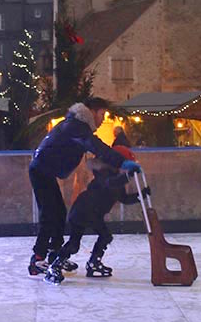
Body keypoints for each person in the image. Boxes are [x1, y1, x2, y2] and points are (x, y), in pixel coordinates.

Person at [27, 97, 141, 276]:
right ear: (92, 112)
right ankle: (37, 259)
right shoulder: (76, 127)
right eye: (102, 114)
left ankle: (54, 255)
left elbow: (94, 147)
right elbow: (97, 147)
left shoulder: (75, 125)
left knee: (58, 213)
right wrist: (122, 162)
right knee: (49, 214)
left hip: (44, 169)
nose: (103, 119)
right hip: (40, 170)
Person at [44, 145, 150, 284]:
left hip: (93, 213)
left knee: (100, 237)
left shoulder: (117, 179)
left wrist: (142, 195)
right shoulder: (104, 173)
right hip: (84, 210)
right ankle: (56, 265)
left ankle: (93, 263)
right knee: (78, 243)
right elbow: (109, 183)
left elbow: (124, 198)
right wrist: (127, 176)